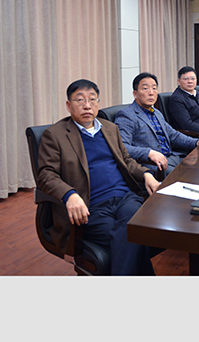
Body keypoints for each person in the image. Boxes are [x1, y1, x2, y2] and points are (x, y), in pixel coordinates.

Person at [36, 79, 160, 275]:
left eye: (92, 99)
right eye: (80, 100)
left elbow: (127, 160)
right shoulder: (55, 135)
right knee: (132, 235)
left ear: (98, 103)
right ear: (68, 105)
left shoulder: (110, 128)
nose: (87, 105)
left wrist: (146, 175)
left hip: (125, 199)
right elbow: (45, 174)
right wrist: (69, 195)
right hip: (90, 207)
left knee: (130, 230)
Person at [116, 72, 199, 178]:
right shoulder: (127, 115)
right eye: (145, 88)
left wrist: (197, 142)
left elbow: (173, 135)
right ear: (135, 94)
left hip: (173, 157)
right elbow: (122, 147)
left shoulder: (156, 112)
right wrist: (149, 153)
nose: (151, 93)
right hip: (153, 164)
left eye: (154, 88)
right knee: (191, 176)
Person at [168, 66, 199, 135]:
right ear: (179, 82)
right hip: (195, 134)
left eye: (193, 78)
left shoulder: (198, 94)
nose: (190, 81)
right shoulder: (177, 99)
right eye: (186, 79)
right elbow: (186, 124)